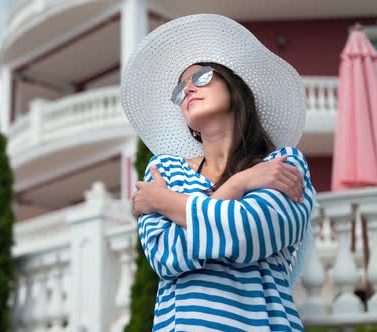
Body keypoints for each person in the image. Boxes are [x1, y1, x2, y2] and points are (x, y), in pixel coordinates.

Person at [120, 14, 317, 331]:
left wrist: (165, 202)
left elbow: (248, 233)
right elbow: (166, 255)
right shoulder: (164, 169)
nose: (187, 91)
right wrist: (242, 183)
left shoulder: (283, 163)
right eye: (179, 89)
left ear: (235, 84)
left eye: (200, 77)